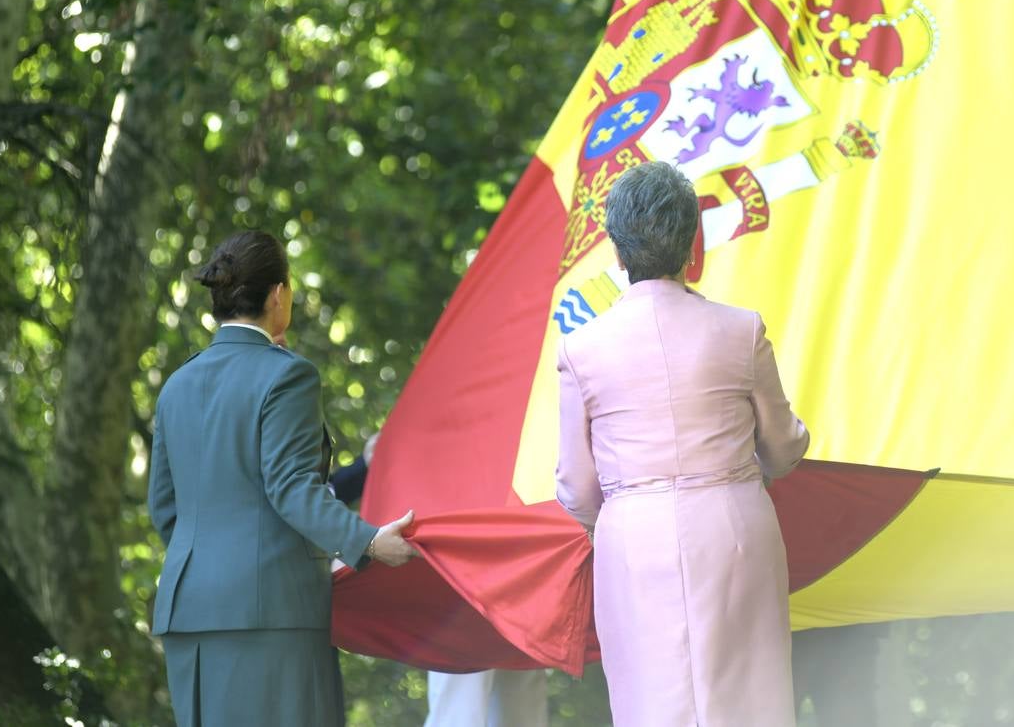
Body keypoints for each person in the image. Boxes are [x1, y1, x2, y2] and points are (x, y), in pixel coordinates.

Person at [555, 160, 811, 726]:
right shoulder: (742, 330)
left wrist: (630, 504)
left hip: (633, 536)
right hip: (735, 524)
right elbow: (784, 449)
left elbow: (576, 489)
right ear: (693, 243)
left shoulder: (582, 349)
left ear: (616, 254)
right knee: (751, 700)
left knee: (653, 701)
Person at [148, 229, 418, 727]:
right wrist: (369, 541)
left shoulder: (177, 384)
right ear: (279, 295)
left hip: (189, 616)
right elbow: (291, 487)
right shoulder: (288, 374)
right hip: (271, 613)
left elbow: (165, 508)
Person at [331, 434, 548, 727]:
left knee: (518, 687)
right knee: (465, 695)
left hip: (514, 566)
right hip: (459, 576)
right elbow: (315, 498)